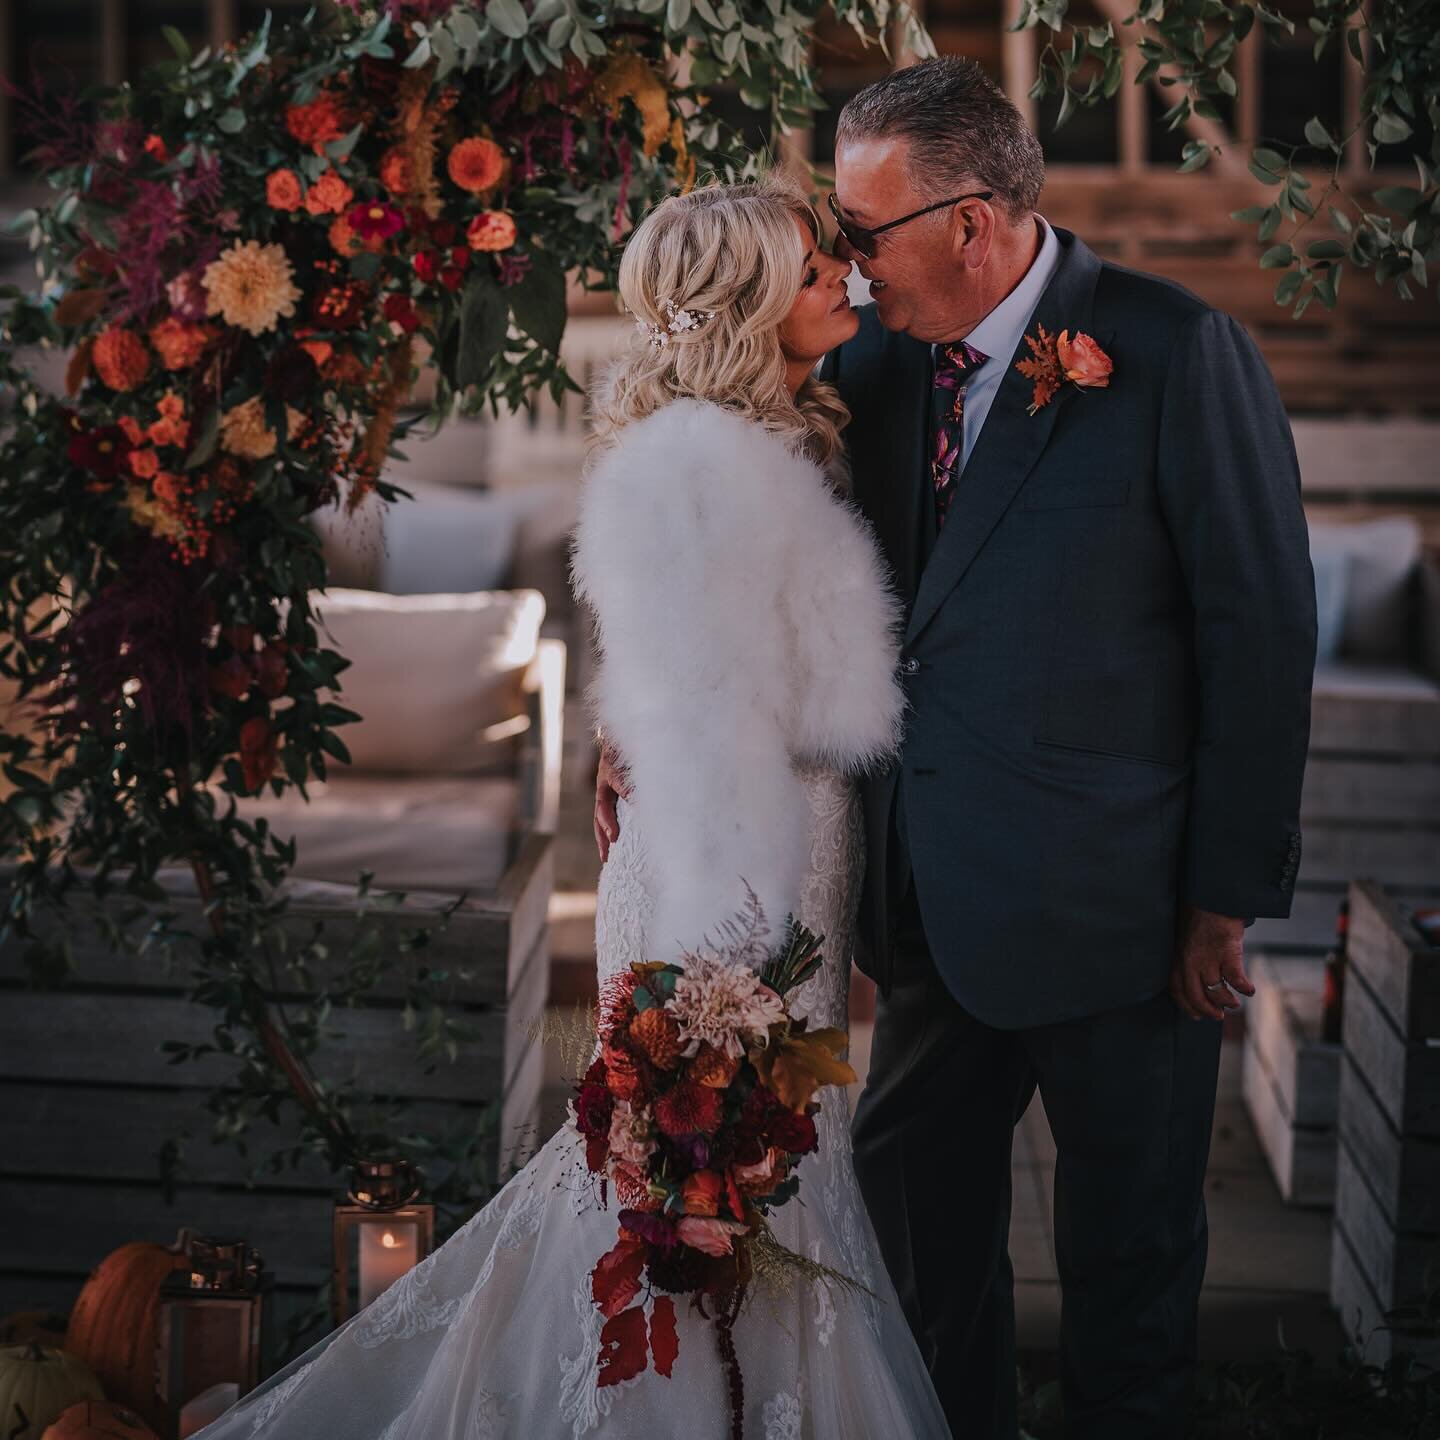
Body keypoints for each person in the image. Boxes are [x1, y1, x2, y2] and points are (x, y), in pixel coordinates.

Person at [601, 57, 1321, 1440]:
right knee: (924, 1277)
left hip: (1127, 922)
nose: (850, 267)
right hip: (926, 920)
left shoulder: (1173, 354)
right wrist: (637, 727)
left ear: (973, 223)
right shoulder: (863, 370)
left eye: (865, 235)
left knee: (1129, 1281)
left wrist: (1224, 899)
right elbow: (711, 556)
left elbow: (1261, 634)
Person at [195, 178, 952, 1440]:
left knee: (759, 1172)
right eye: (813, 263)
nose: (845, 278)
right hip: (736, 876)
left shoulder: (767, 437)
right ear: (748, 298)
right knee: (716, 1164)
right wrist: (724, 980)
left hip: (779, 842)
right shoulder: (705, 462)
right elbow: (706, 713)